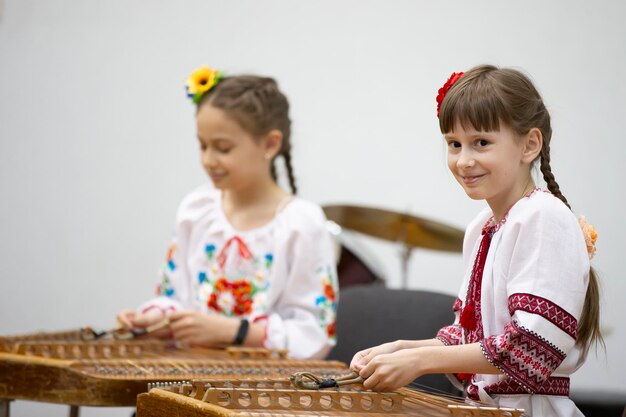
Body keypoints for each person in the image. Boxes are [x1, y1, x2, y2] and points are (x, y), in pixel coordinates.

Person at [350, 65, 601, 416]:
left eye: (481, 143)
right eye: (454, 144)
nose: (464, 161)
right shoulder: (482, 227)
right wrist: (402, 348)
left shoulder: (544, 216)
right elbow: (469, 339)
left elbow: (530, 348)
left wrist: (421, 360)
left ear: (529, 144)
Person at [117, 66, 338, 359]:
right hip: (185, 376)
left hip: (261, 395)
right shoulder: (197, 210)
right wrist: (155, 320)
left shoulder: (301, 223)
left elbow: (314, 335)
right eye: (202, 145)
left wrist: (237, 332)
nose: (208, 160)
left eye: (222, 148)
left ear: (270, 144)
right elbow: (174, 297)